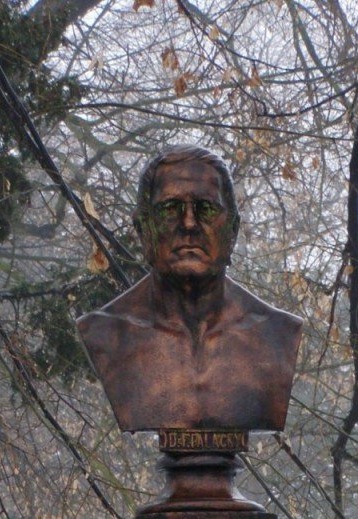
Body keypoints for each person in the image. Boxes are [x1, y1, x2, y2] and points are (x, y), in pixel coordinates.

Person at [78, 147, 302, 434]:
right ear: (142, 229)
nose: (189, 224)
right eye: (170, 209)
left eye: (206, 209)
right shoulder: (105, 333)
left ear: (232, 231)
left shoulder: (276, 335)